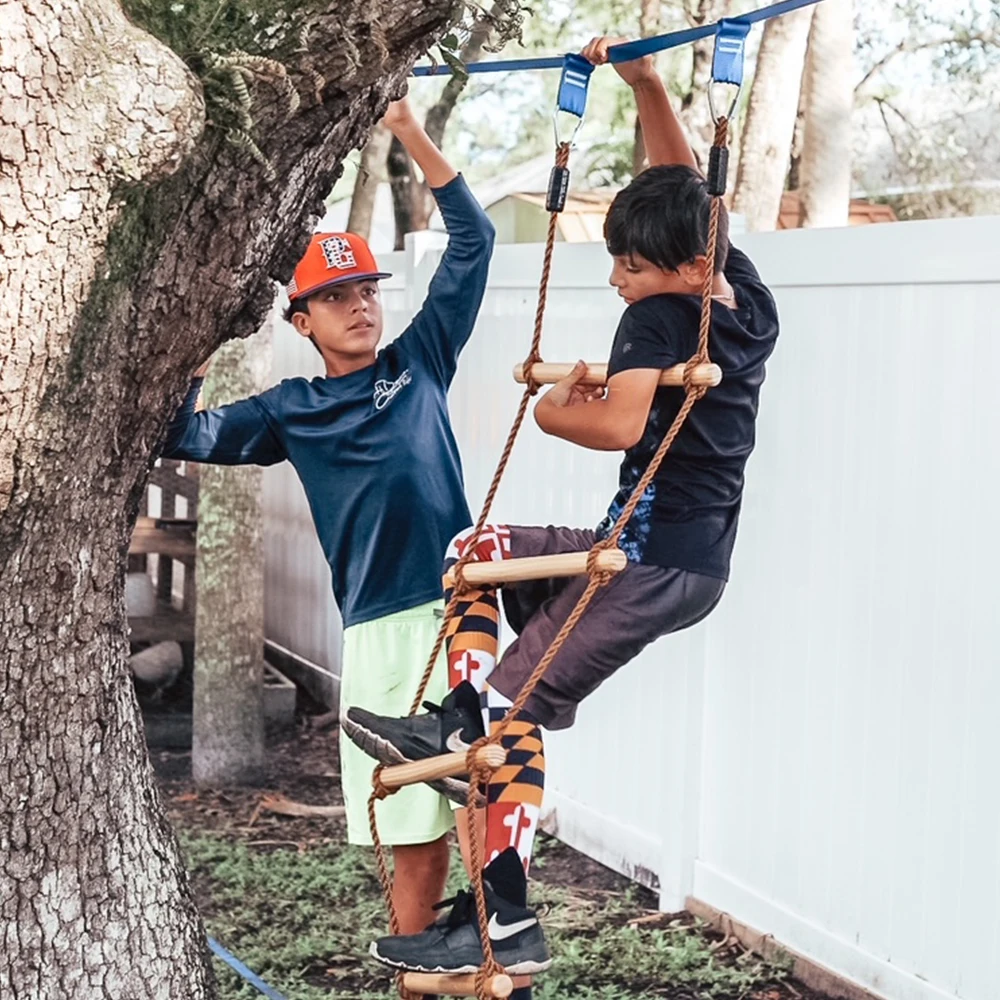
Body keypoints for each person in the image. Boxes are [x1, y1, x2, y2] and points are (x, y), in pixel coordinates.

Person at [342, 37, 780, 982]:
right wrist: (647, 84)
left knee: (505, 715)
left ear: (671, 270)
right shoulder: (735, 291)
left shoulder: (657, 320)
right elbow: (685, 188)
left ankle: (498, 923)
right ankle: (455, 717)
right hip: (645, 549)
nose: (616, 274)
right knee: (479, 549)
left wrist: (553, 404)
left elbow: (620, 426)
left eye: (626, 262)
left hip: (652, 565)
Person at [161, 96, 496, 942]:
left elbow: (475, 242)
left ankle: (497, 964)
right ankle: (419, 979)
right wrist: (199, 350)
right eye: (337, 296)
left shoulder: (419, 361)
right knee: (411, 831)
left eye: (367, 290)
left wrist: (410, 132)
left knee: (482, 802)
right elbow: (186, 434)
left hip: (457, 608)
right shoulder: (292, 408)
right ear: (303, 321)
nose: (361, 306)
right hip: (377, 630)